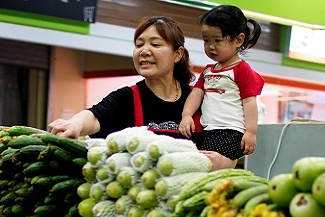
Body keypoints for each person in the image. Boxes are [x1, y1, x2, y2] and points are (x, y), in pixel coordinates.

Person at [47, 16, 235, 170]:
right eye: (139, 44)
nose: (144, 51)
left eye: (155, 44)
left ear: (177, 54)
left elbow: (228, 147)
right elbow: (95, 117)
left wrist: (222, 162)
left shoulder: (202, 100)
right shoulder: (126, 98)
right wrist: (74, 125)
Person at [178, 5, 265, 161]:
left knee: (206, 164)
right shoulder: (207, 71)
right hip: (208, 131)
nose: (211, 46)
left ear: (238, 40)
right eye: (206, 40)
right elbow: (196, 94)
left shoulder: (241, 70)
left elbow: (250, 102)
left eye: (217, 40)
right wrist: (187, 115)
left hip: (231, 132)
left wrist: (251, 132)